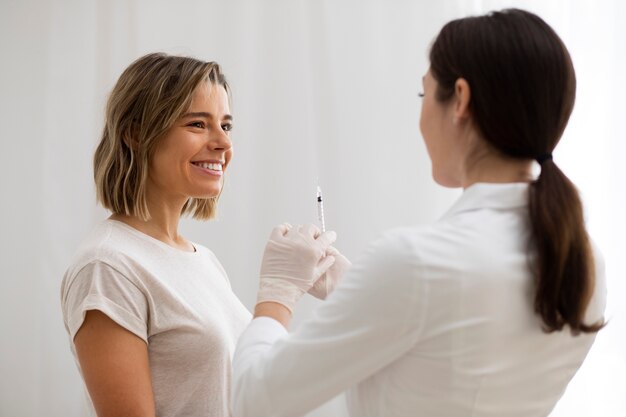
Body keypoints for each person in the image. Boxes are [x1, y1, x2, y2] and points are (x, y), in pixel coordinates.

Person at [231, 9, 607, 417]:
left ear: (459, 99)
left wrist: (277, 291)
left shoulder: (419, 261)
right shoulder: (582, 259)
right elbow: (448, 344)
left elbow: (254, 402)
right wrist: (357, 287)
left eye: (422, 94)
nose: (421, 114)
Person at [60, 52, 345, 417]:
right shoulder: (107, 267)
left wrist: (349, 289)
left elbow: (241, 396)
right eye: (198, 124)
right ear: (135, 132)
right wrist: (278, 295)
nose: (223, 144)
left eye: (226, 126)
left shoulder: (202, 259)